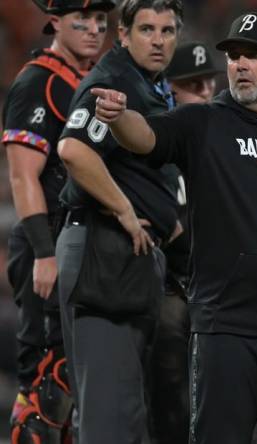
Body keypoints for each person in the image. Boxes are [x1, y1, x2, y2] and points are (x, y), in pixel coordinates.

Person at [91, 11, 257, 443]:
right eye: (235, 55)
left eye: (253, 55)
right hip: (227, 332)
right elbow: (145, 137)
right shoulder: (203, 122)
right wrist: (119, 117)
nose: (239, 63)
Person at [54, 0, 182, 441]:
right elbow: (74, 150)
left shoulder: (153, 85)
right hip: (103, 251)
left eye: (167, 31)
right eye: (147, 29)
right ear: (123, 35)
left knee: (129, 412)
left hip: (129, 259)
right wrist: (125, 209)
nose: (158, 40)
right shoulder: (114, 80)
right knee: (109, 420)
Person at [2, 0, 113, 440]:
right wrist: (44, 254)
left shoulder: (93, 81)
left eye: (101, 22)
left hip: (83, 240)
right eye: (80, 21)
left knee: (77, 384)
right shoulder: (38, 82)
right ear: (54, 23)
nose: (93, 30)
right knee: (48, 386)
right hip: (46, 239)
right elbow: (22, 173)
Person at [148, 40, 221, 444]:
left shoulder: (225, 146)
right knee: (170, 325)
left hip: (216, 288)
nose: (206, 91)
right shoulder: (154, 142)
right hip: (171, 285)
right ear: (168, 89)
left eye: (209, 83)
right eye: (194, 84)